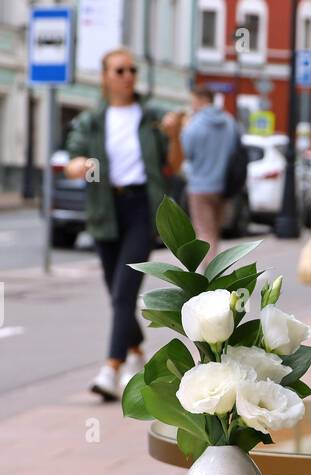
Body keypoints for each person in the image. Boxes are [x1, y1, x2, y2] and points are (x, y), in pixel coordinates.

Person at [64, 47, 182, 401]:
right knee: (115, 292)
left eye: (132, 69)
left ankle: (110, 369)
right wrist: (82, 164)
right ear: (104, 77)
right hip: (104, 208)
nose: (128, 75)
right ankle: (136, 353)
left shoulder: (150, 117)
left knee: (124, 291)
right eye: (119, 70)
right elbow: (71, 160)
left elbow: (173, 165)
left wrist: (175, 134)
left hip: (140, 209)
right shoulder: (93, 120)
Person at [179, 86, 240, 257]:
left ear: (200, 99)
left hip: (200, 186)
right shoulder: (229, 121)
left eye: (193, 101)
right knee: (214, 232)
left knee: (204, 232)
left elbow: (185, 153)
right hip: (223, 185)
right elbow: (236, 151)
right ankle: (213, 269)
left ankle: (208, 276)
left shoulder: (194, 124)